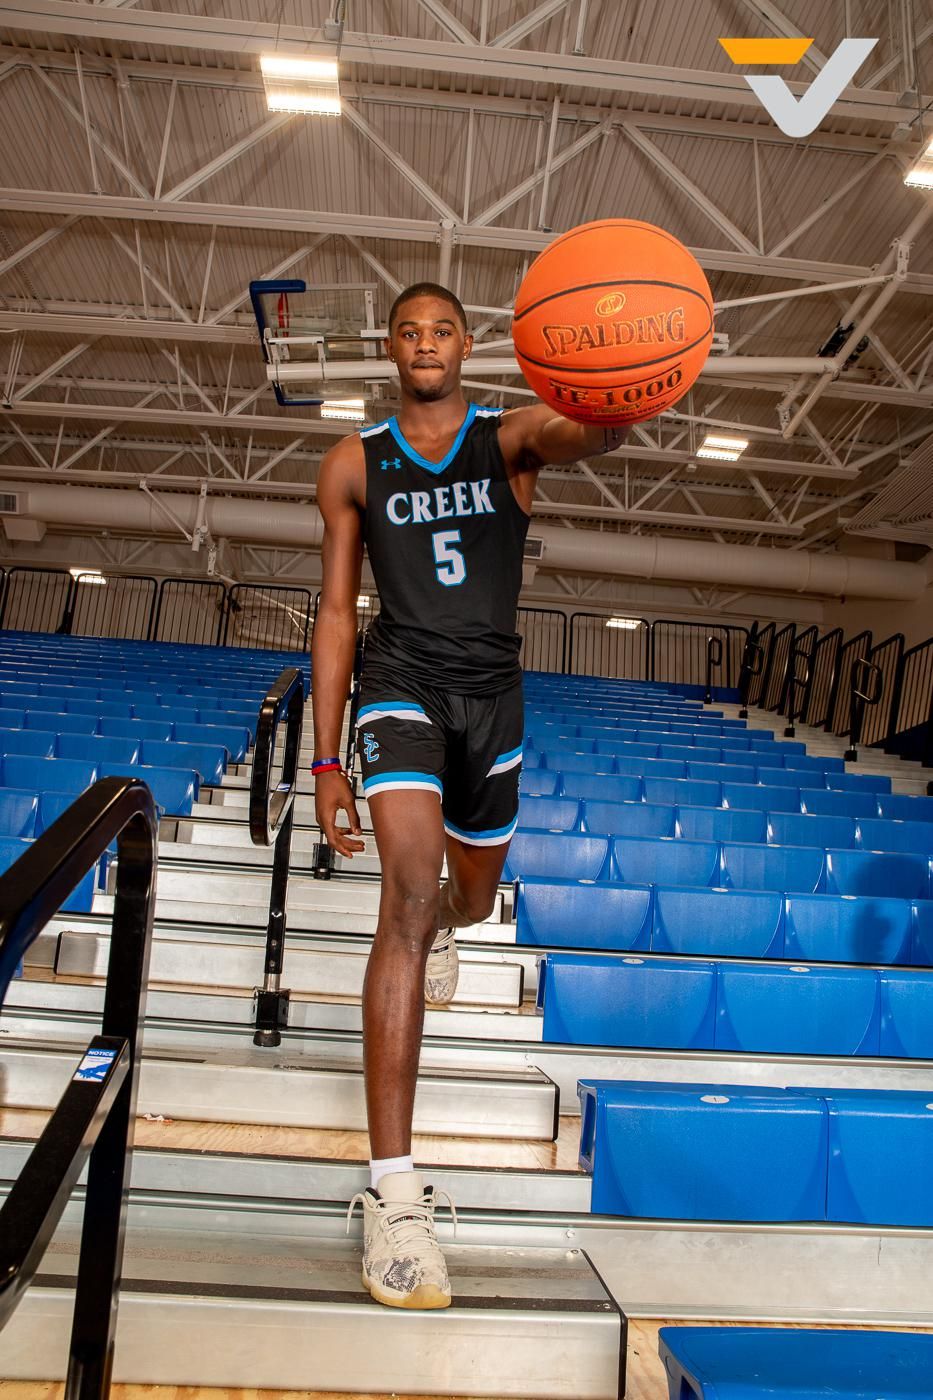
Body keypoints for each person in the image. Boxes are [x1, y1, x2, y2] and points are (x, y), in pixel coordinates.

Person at [312, 282, 626, 1310]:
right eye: (410, 330)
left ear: (468, 344)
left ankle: (452, 912)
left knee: (470, 895)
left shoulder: (511, 436)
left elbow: (584, 431)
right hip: (400, 680)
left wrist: (633, 382)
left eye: (443, 329)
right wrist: (322, 762)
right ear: (392, 348)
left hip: (494, 692)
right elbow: (334, 611)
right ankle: (394, 1198)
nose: (426, 343)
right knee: (404, 892)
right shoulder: (354, 459)